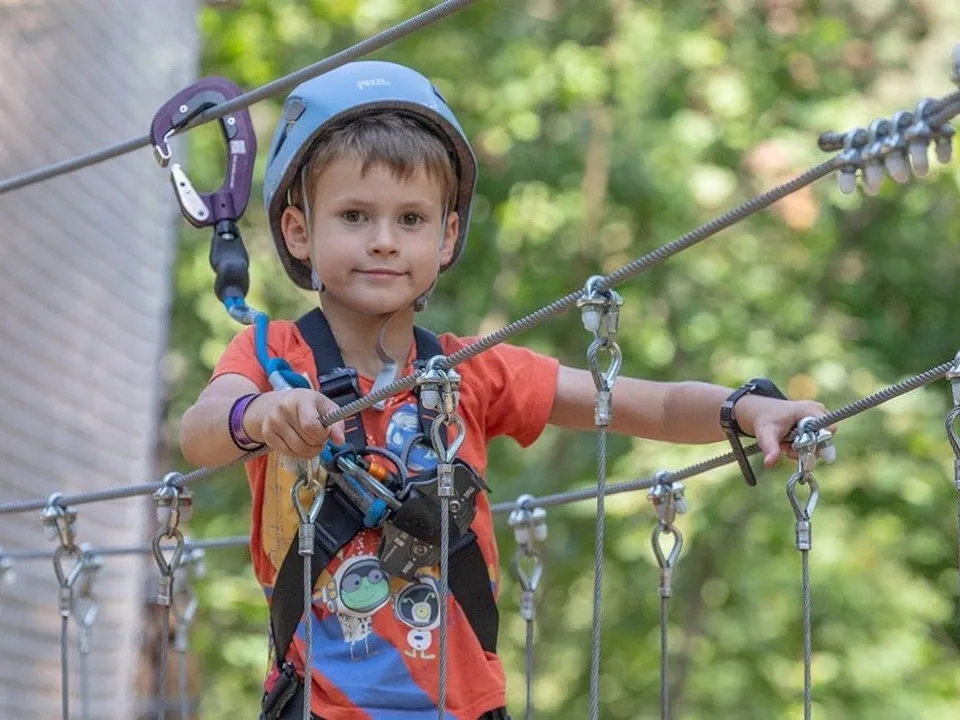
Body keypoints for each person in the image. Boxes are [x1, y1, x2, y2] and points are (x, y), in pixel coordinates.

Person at [178, 60, 833, 720]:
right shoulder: (271, 357)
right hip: (318, 708)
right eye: (354, 215)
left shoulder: (475, 371)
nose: (382, 241)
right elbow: (200, 432)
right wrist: (261, 413)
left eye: (411, 219)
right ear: (299, 232)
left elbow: (641, 402)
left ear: (447, 236)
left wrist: (745, 408)